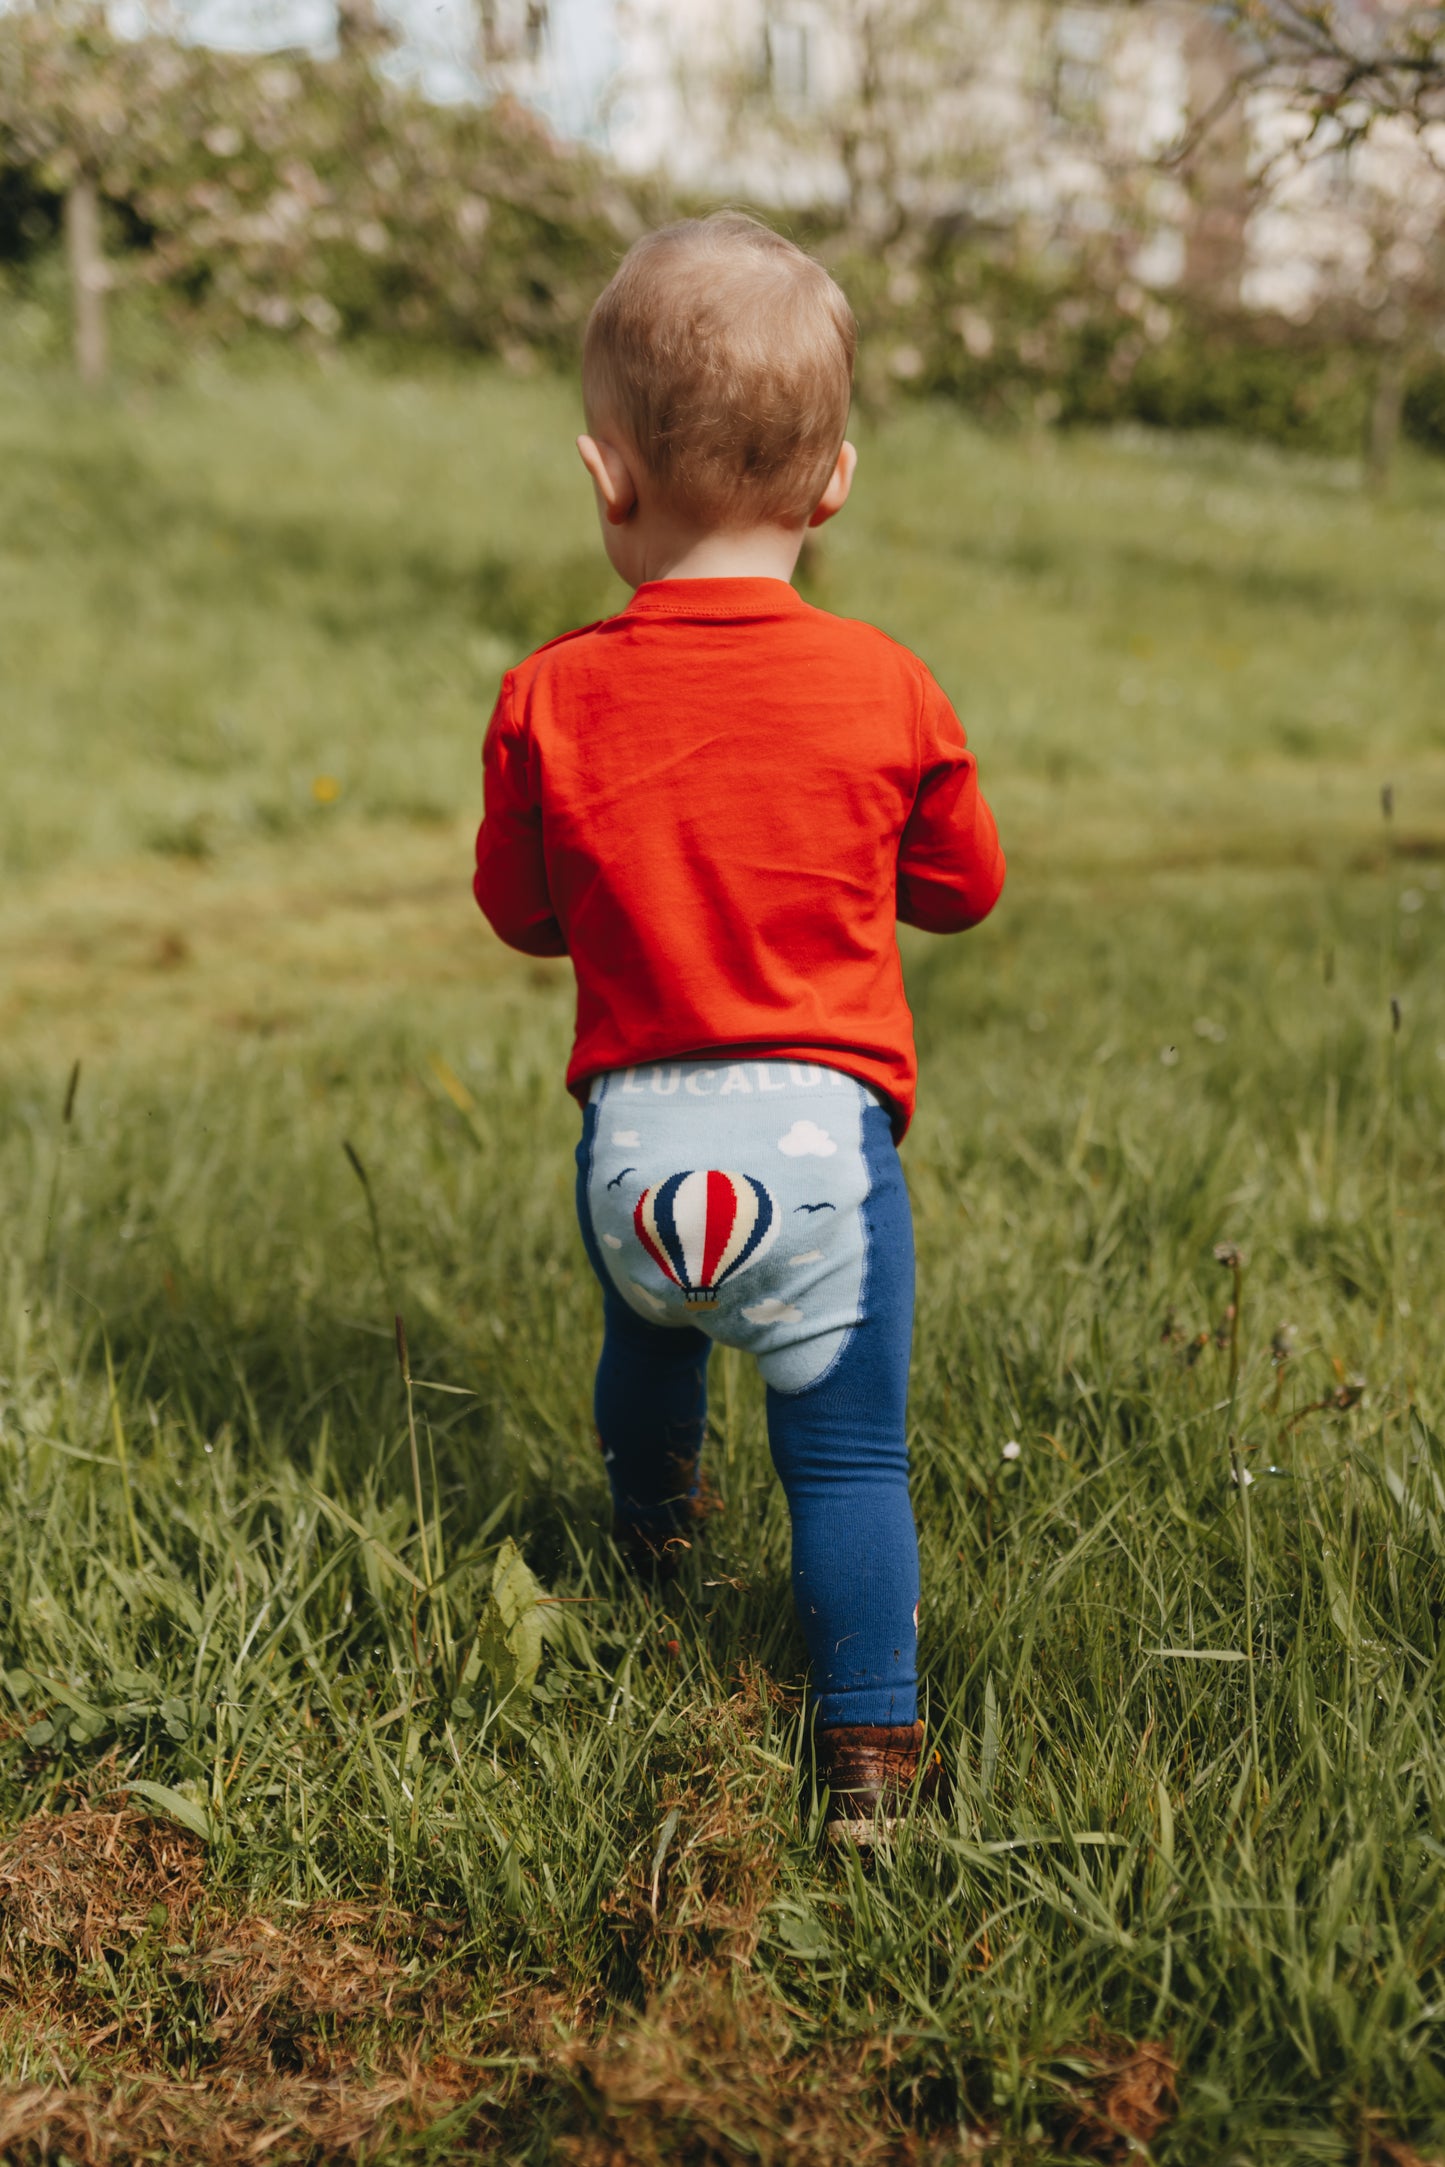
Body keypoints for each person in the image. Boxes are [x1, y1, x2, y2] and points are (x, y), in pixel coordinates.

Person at [474, 212, 1005, 1844]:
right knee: (845, 1465)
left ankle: (653, 1528)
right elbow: (961, 888)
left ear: (603, 475)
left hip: (635, 1147)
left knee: (650, 1346)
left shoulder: (552, 692)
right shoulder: (888, 685)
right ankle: (866, 1762)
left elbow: (518, 909)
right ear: (834, 483)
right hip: (820, 1147)